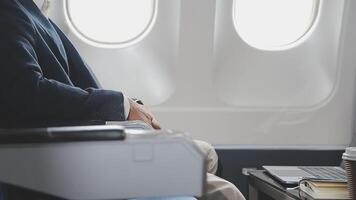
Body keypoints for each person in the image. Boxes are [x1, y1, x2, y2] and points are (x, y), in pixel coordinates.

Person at [0, 0, 245, 199]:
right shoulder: (10, 10)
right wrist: (121, 106)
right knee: (228, 193)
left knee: (207, 154)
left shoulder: (34, 13)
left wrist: (129, 108)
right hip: (68, 155)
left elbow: (66, 89)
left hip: (82, 141)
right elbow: (26, 91)